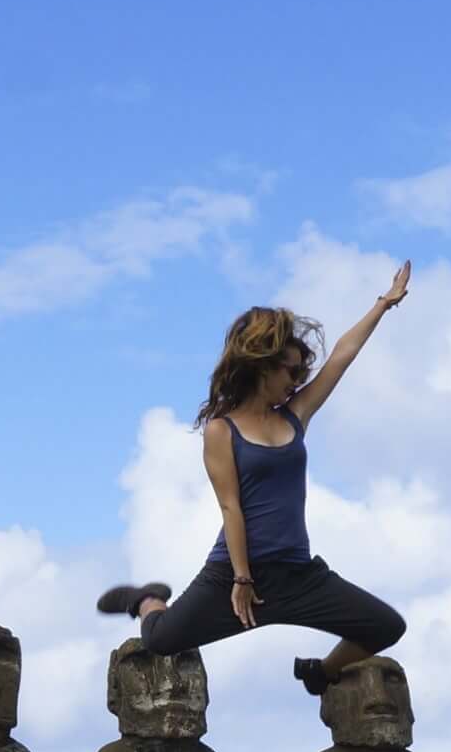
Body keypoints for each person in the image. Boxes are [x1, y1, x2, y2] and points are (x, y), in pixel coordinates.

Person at [97, 265, 413, 696]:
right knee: (161, 641)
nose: (296, 382)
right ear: (262, 365)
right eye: (289, 372)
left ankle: (321, 673)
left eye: (301, 373)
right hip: (234, 576)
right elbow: (231, 507)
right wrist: (242, 580)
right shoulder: (221, 431)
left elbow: (342, 355)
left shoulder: (294, 416)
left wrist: (383, 304)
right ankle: (146, 600)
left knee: (386, 625)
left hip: (298, 575)